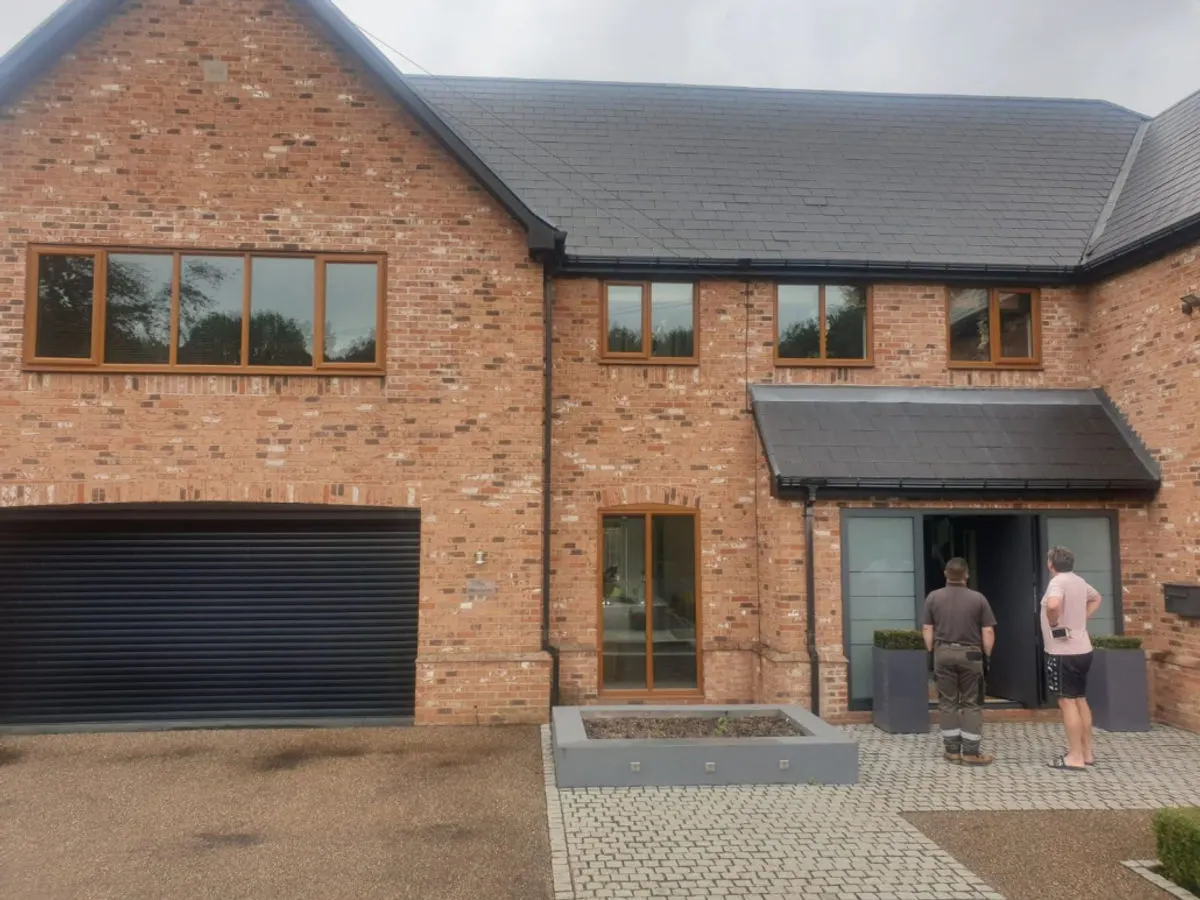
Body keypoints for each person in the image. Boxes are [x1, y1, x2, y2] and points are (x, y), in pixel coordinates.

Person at [922, 557, 997, 765]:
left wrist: (931, 652)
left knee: (947, 702)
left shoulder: (933, 598)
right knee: (971, 703)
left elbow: (927, 629)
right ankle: (971, 753)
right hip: (971, 654)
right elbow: (988, 630)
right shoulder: (978, 599)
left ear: (946, 574)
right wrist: (987, 656)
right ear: (966, 575)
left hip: (943, 653)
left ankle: (952, 750)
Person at [1042, 545, 1101, 771]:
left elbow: (1054, 604)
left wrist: (1054, 622)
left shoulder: (1058, 582)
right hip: (1083, 649)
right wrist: (1081, 619)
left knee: (1067, 702)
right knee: (1080, 699)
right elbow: (1096, 598)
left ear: (1051, 564)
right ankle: (1087, 752)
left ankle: (1074, 756)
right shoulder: (1078, 581)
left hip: (1062, 653)